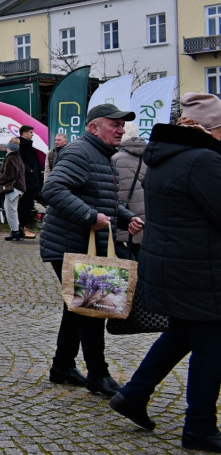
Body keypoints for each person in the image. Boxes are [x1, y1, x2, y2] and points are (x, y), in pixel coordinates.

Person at [109, 93, 221, 452]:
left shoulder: (167, 155)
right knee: (212, 348)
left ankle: (134, 394)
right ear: (214, 128)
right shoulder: (203, 160)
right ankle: (200, 428)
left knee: (181, 334)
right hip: (200, 271)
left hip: (175, 264)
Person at [40, 103, 142, 398]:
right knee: (92, 309)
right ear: (93, 127)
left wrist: (124, 216)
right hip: (69, 245)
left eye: (123, 125)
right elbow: (53, 190)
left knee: (76, 309)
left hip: (81, 245)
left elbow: (99, 199)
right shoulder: (80, 152)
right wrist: (89, 217)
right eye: (115, 124)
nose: (121, 129)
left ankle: (62, 367)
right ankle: (98, 375)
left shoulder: (102, 155)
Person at [111, 125, 146, 261]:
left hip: (123, 210)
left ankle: (131, 275)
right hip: (142, 211)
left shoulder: (116, 158)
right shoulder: (147, 159)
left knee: (118, 244)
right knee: (137, 247)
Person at [0, 137, 26, 242]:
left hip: (13, 188)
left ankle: (15, 231)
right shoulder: (18, 157)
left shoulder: (10, 158)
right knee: (13, 209)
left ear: (9, 147)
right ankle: (18, 230)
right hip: (19, 187)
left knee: (10, 210)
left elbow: (9, 175)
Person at [17, 125, 41, 238]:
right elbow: (19, 161)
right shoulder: (20, 146)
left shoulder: (31, 148)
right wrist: (30, 170)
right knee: (25, 205)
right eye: (31, 132)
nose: (32, 134)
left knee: (27, 205)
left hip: (32, 181)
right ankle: (20, 227)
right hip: (26, 181)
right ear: (24, 133)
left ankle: (22, 226)